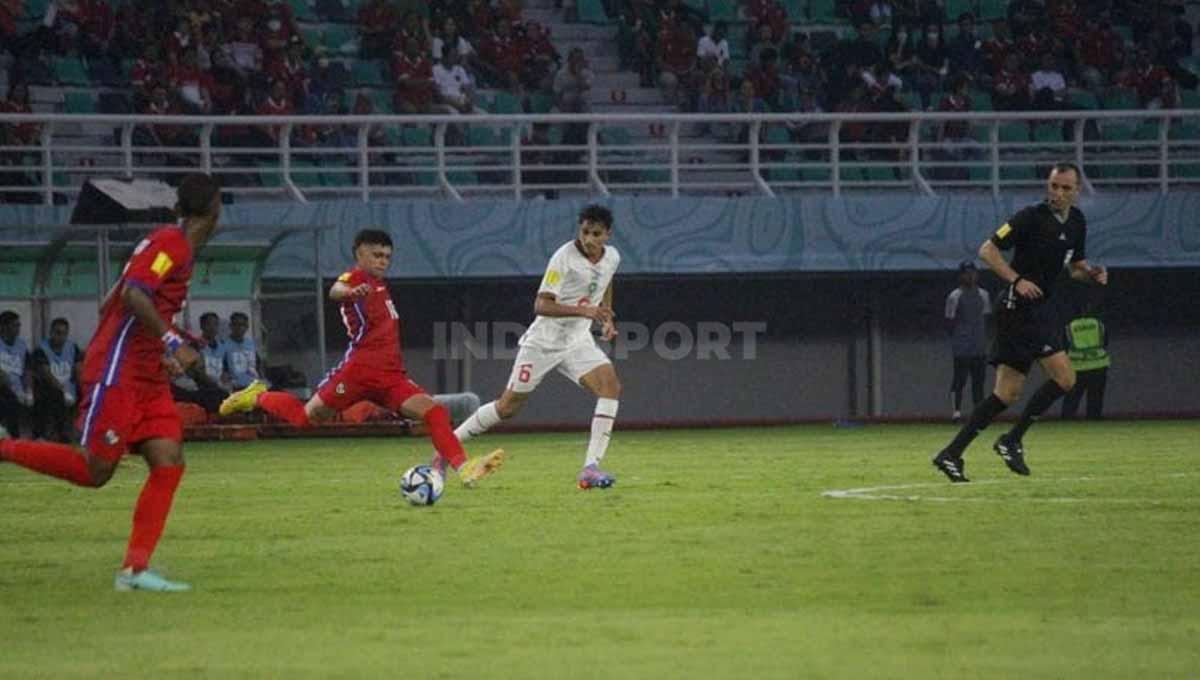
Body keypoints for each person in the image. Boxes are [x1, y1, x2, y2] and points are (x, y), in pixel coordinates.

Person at [0, 173, 223, 591]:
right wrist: (172, 342)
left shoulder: (173, 247)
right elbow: (134, 296)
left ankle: (134, 571)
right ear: (215, 209)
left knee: (168, 459)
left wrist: (165, 345)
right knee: (95, 470)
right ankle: (5, 449)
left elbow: (113, 299)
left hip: (145, 373)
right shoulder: (170, 245)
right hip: (119, 370)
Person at [219, 229, 505, 487]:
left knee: (435, 413)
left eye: (387, 256)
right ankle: (258, 396)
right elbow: (336, 290)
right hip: (358, 373)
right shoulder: (356, 279)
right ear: (359, 254)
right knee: (305, 419)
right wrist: (351, 292)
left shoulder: (381, 286)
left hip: (392, 377)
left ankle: (464, 468)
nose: (382, 261)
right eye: (376, 255)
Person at [931, 163, 1108, 483]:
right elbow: (988, 250)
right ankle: (1012, 440)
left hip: (1037, 310)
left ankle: (951, 453)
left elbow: (1075, 268)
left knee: (1006, 394)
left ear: (1077, 191)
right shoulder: (1030, 217)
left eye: (1066, 188)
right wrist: (1016, 280)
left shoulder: (1078, 222)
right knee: (1066, 378)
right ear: (1048, 185)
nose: (1058, 192)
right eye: (1054, 185)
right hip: (1018, 309)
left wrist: (1093, 273)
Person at [448, 204, 622, 490]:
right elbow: (541, 304)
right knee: (507, 408)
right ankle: (448, 445)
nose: (589, 239)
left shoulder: (612, 257)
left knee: (610, 386)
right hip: (543, 343)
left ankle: (590, 468)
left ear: (608, 235)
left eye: (596, 233)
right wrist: (587, 312)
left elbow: (607, 278)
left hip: (577, 340)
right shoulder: (563, 258)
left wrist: (606, 313)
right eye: (585, 231)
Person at [945, 261, 991, 422]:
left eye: (973, 272)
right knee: (959, 379)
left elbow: (986, 317)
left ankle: (978, 412)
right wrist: (958, 338)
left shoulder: (983, 295)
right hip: (962, 345)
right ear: (961, 276)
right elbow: (949, 320)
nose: (970, 276)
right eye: (967, 273)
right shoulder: (955, 296)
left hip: (979, 344)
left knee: (979, 381)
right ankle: (956, 411)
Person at [31, 317, 82, 442]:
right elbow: (47, 374)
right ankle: (46, 435)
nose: (61, 337)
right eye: (58, 333)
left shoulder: (72, 347)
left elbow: (79, 369)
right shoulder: (40, 350)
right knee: (52, 393)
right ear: (51, 333)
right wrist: (64, 392)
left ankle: (79, 434)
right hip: (51, 390)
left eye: (64, 333)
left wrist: (82, 386)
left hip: (69, 390)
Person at [1061, 309, 1109, 420]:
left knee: (1072, 397)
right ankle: (1093, 419)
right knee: (1095, 397)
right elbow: (1105, 342)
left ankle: (1066, 420)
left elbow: (1065, 346)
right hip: (1099, 365)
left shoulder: (1070, 327)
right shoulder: (1098, 324)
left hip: (1077, 367)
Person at [0, 310, 33, 436]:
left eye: (19, 325)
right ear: (3, 327)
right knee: (8, 399)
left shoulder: (22, 345)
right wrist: (12, 388)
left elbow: (27, 370)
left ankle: (38, 436)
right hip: (4, 387)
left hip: (18, 389)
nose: (18, 328)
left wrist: (29, 390)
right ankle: (12, 437)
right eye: (15, 325)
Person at [224, 311, 263, 391]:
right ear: (231, 326)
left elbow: (258, 363)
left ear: (247, 327)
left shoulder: (250, 343)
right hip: (236, 387)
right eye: (236, 325)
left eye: (243, 325)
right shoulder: (223, 345)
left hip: (254, 385)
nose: (240, 328)